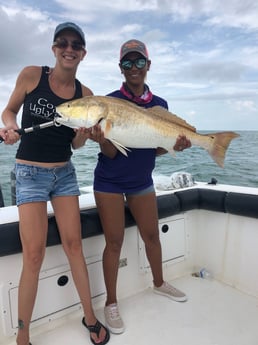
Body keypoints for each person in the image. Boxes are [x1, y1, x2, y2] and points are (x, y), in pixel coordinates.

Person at [0, 22, 110, 345]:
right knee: (33, 256)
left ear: (83, 53)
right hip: (29, 174)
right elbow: (9, 110)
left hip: (64, 174)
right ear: (54, 48)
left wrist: (85, 135)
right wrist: (9, 126)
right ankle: (23, 336)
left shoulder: (85, 96)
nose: (69, 48)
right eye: (62, 42)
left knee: (74, 246)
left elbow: (76, 146)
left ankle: (90, 318)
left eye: (76, 44)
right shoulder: (32, 75)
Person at [92, 39, 191, 334]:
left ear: (148, 65)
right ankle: (111, 302)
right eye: (127, 62)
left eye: (138, 62)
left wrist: (175, 147)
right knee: (114, 242)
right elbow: (111, 152)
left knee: (152, 236)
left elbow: (155, 149)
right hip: (109, 181)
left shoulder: (161, 106)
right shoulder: (108, 102)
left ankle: (159, 283)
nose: (133, 68)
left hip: (142, 181)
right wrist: (101, 138)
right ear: (120, 68)